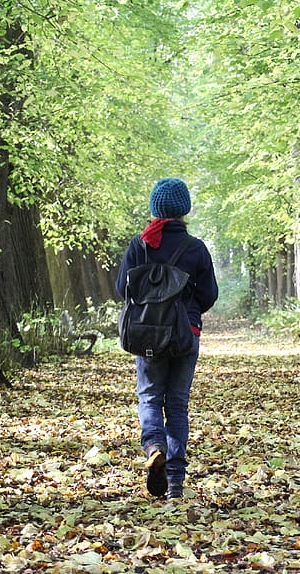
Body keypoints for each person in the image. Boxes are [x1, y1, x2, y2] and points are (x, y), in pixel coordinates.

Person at [116, 178, 219, 499]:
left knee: (149, 398)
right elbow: (209, 294)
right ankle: (175, 480)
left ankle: (154, 445)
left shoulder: (139, 245)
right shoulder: (196, 248)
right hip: (186, 335)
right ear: (184, 210)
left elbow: (123, 289)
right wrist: (186, 312)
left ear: (155, 209)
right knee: (177, 403)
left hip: (148, 336)